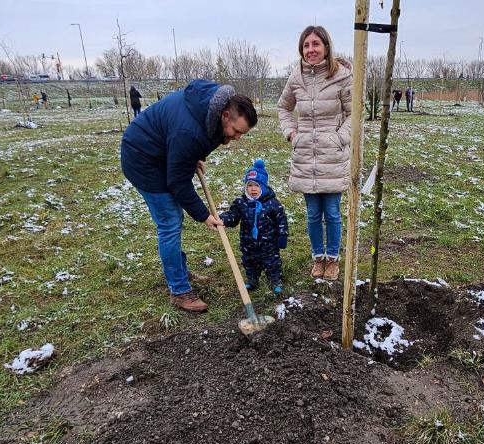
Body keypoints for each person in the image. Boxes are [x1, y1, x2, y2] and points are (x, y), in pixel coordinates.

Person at [121, 80, 258, 312]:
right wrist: (204, 215)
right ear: (225, 115)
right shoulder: (190, 133)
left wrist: (189, 156)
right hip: (142, 158)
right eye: (236, 131)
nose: (237, 138)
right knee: (170, 221)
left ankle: (179, 271)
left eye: (242, 134)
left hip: (164, 150)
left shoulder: (211, 108)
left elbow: (180, 137)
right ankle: (179, 290)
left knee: (172, 219)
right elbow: (177, 183)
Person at [278, 25, 352, 281]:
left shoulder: (342, 77)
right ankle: (317, 258)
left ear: (326, 47)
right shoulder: (296, 78)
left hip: (332, 157)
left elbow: (355, 114)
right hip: (306, 157)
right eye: (306, 45)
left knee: (332, 213)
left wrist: (340, 137)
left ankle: (333, 259)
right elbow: (283, 108)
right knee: (312, 214)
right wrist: (292, 134)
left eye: (315, 44)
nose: (311, 50)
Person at [219, 160, 288, 294]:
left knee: (272, 262)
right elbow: (233, 216)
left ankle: (275, 280)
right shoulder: (241, 203)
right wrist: (224, 219)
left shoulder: (272, 203)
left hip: (269, 243)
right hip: (248, 242)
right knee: (250, 262)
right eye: (249, 185)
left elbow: (281, 219)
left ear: (263, 187)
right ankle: (252, 279)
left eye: (256, 186)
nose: (253, 189)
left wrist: (282, 235)